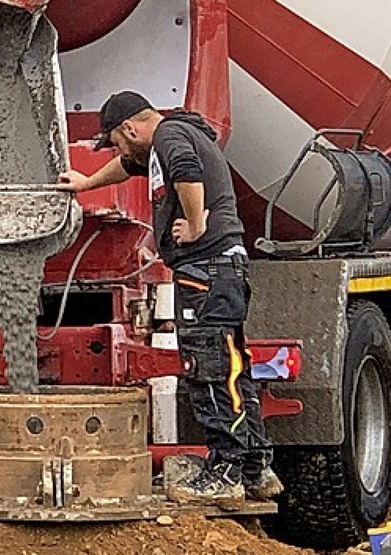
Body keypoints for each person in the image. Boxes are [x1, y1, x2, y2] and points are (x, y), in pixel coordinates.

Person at [57, 91, 282, 501]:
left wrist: (195, 225)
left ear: (129, 128)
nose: (119, 149)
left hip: (205, 268)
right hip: (221, 268)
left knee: (208, 367)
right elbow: (127, 167)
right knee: (232, 366)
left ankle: (224, 472)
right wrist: (87, 183)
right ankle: (255, 468)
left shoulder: (170, 139)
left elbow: (186, 170)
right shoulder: (170, 139)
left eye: (117, 140)